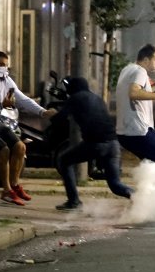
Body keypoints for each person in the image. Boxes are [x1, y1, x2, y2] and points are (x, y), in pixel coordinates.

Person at [0, 51, 57, 205]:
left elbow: (22, 99)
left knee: (20, 147)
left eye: (6, 65)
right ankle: (6, 191)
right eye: (1, 65)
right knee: (4, 150)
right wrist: (2, 104)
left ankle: (14, 185)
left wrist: (43, 112)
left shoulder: (5, 80)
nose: (4, 68)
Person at [50, 77, 133, 210]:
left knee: (64, 160)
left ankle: (74, 201)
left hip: (97, 144)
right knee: (115, 185)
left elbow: (58, 119)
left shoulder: (75, 98)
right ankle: (143, 198)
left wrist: (51, 114)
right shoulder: (97, 98)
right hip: (114, 145)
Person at [116, 44, 155, 180]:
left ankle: (151, 199)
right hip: (138, 131)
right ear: (146, 60)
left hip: (125, 133)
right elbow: (134, 93)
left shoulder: (128, 69)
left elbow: (143, 92)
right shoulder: (140, 71)